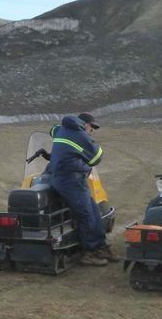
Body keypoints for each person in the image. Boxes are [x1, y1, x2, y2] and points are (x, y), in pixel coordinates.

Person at [48, 112, 119, 266]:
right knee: (85, 214)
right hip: (70, 180)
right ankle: (88, 252)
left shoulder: (61, 129)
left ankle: (101, 246)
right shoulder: (80, 135)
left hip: (68, 178)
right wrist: (87, 145)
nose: (92, 131)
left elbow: (52, 131)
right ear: (85, 124)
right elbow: (96, 157)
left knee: (94, 210)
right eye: (92, 127)